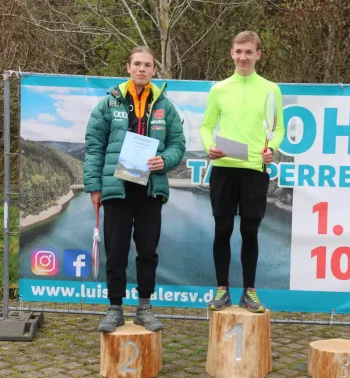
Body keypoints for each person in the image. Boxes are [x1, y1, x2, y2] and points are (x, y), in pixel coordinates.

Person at [84, 46, 185, 332]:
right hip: (117, 187)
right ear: (128, 67)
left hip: (150, 189)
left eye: (148, 65)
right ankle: (114, 308)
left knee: (147, 250)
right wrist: (94, 186)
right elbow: (94, 147)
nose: (142, 69)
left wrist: (164, 160)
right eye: (137, 64)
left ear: (154, 71)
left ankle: (144, 308)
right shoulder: (109, 103)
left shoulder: (165, 105)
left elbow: (178, 144)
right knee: (116, 250)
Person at [200, 31, 285, 313]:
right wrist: (209, 146)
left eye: (249, 52)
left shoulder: (271, 89)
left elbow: (279, 128)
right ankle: (221, 290)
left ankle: (250, 292)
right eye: (239, 51)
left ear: (258, 54)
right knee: (222, 230)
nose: (243, 57)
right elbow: (205, 126)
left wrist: (272, 147)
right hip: (224, 168)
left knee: (250, 231)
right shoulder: (219, 89)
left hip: (254, 170)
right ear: (231, 53)